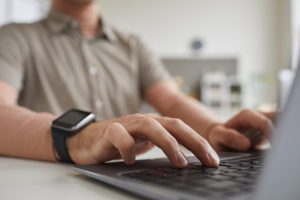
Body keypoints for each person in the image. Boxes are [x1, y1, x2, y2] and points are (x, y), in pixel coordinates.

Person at [0, 0, 274, 168]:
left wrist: (215, 129)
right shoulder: (14, 38)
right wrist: (80, 138)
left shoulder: (133, 46)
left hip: (129, 179)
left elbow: (172, 101)